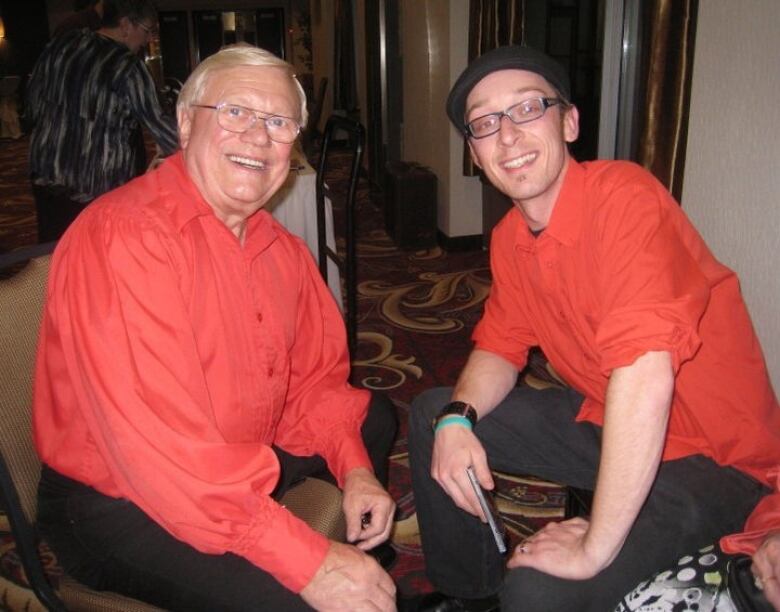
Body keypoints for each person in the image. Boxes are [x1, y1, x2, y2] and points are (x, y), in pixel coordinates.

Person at [407, 45, 780, 612]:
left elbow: (644, 371)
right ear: (475, 154)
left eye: (528, 108)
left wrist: (592, 548)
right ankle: (470, 592)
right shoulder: (511, 236)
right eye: (485, 123)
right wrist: (458, 419)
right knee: (434, 416)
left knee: (540, 592)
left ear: (570, 122)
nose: (507, 135)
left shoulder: (624, 197)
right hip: (610, 421)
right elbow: (501, 345)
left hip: (712, 458)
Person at [32, 44, 398, 612]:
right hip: (123, 499)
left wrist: (356, 472)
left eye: (279, 123)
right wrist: (308, 561)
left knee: (373, 422)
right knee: (294, 599)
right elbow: (164, 454)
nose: (258, 137)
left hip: (235, 450)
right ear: (184, 122)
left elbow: (316, 384)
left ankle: (360, 569)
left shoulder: (283, 251)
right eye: (234, 112)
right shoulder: (125, 238)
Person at [25, 0, 178, 243]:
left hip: (46, 173)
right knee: (94, 258)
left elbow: (32, 100)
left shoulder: (62, 44)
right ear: (126, 24)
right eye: (147, 30)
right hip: (95, 186)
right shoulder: (127, 66)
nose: (148, 40)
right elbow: (161, 125)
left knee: (52, 253)